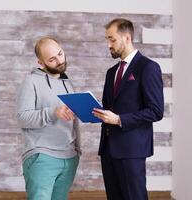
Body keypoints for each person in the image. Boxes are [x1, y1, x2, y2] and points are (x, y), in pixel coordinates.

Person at [92, 18, 164, 200]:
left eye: (112, 39)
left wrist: (119, 120)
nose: (108, 44)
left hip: (132, 150)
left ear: (127, 38)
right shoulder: (111, 72)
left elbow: (156, 111)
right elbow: (110, 107)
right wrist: (92, 112)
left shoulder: (148, 67)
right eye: (107, 40)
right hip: (108, 149)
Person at [16, 37, 81, 200]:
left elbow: (73, 122)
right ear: (40, 62)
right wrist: (53, 112)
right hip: (42, 157)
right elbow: (22, 118)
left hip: (69, 157)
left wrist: (77, 150)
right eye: (52, 59)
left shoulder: (68, 83)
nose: (59, 61)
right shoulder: (31, 81)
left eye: (60, 54)